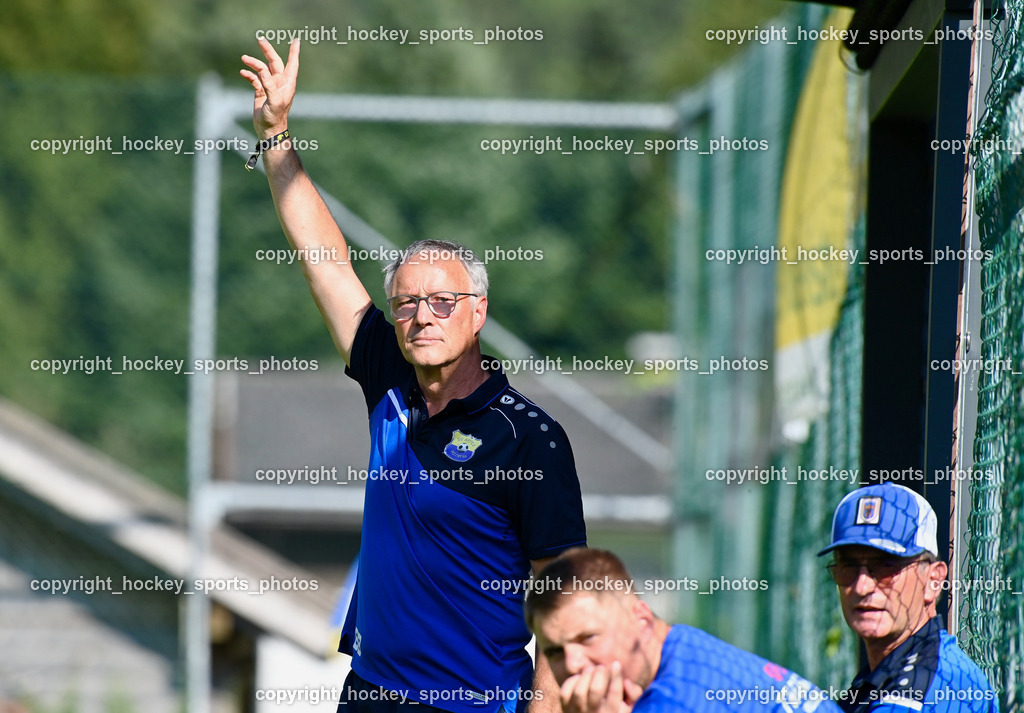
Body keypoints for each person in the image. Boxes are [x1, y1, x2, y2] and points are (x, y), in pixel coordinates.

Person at [240, 38, 586, 713]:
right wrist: (276, 137)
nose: (421, 316)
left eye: (442, 301)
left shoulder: (530, 440)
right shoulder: (388, 378)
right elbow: (327, 262)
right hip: (370, 693)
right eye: (406, 302)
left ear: (479, 311)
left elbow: (564, 606)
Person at [525, 548, 842, 713]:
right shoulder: (680, 650)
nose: (573, 664)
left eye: (588, 638)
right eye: (554, 651)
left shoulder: (683, 700)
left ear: (642, 620)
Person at [818, 482, 998, 712]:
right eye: (848, 566)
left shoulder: (939, 684)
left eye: (886, 566)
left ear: (933, 580)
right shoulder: (889, 673)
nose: (862, 586)